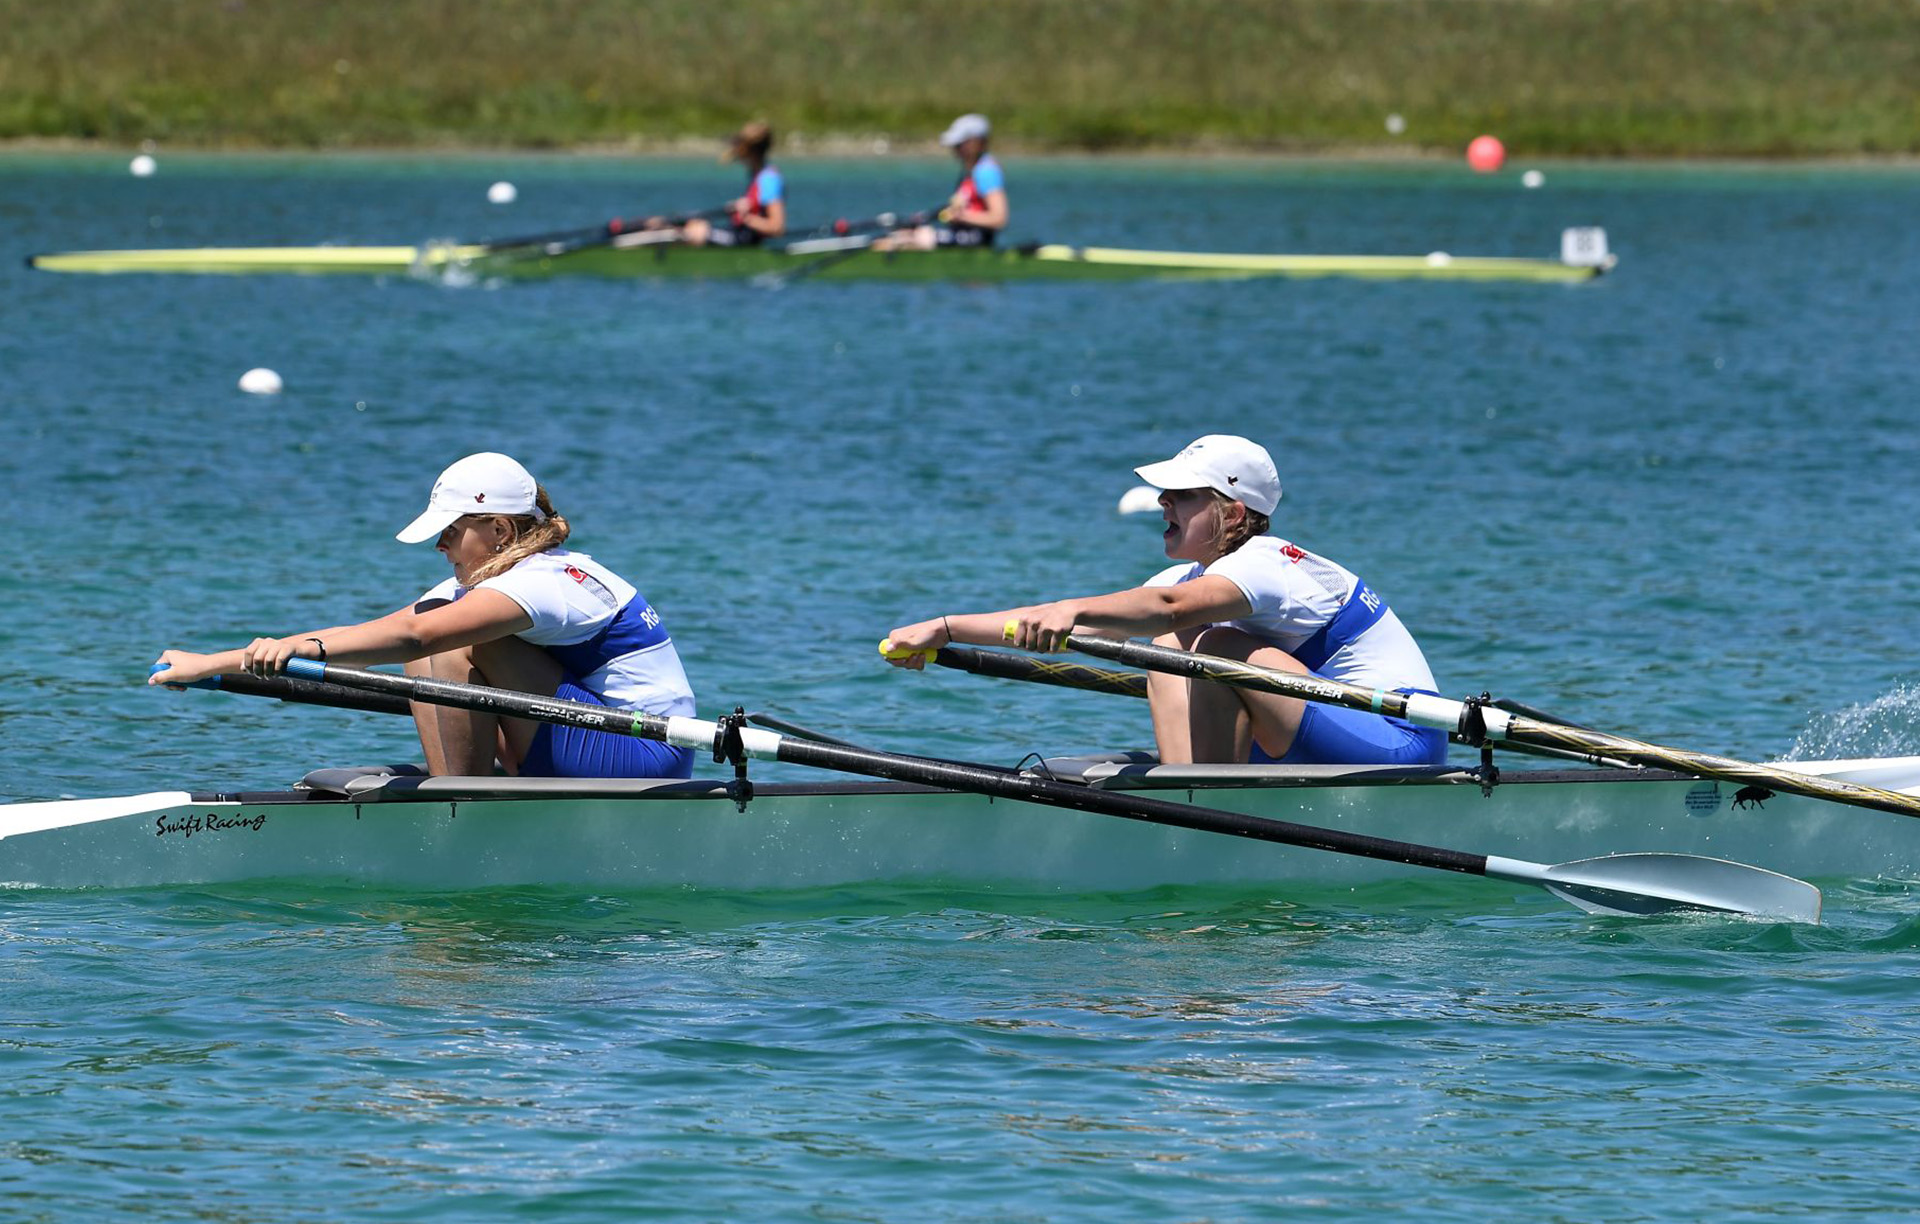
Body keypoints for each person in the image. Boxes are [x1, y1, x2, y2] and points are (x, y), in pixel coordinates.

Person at [883, 435, 1447, 768]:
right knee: (1171, 643)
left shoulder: (1269, 562)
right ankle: (1192, 792)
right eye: (1164, 493)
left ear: (1233, 512)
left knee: (1210, 641)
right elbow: (1097, 627)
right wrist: (946, 628)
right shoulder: (1196, 578)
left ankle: (1209, 801)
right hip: (1322, 728)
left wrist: (1073, 610)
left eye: (1182, 495)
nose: (1162, 502)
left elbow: (1169, 607)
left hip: (1397, 739)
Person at [151, 453, 697, 780]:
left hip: (644, 751)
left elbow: (416, 637)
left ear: (500, 531)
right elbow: (365, 635)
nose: (440, 546)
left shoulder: (545, 582)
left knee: (443, 640)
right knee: (433, 630)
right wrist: (211, 663)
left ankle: (462, 804)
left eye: (451, 532)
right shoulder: (491, 582)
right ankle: (461, 789)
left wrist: (303, 651)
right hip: (581, 735)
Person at [874, 113, 1008, 252]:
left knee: (918, 237)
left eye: (959, 145)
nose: (955, 150)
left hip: (978, 238)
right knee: (903, 234)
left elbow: (999, 219)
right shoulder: (971, 171)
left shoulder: (986, 172)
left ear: (975, 143)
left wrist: (961, 216)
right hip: (963, 234)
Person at [679, 120, 787, 248]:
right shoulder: (757, 175)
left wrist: (746, 217)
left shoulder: (769, 179)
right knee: (693, 224)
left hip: (747, 239)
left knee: (696, 232)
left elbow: (777, 227)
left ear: (749, 150)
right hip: (740, 233)